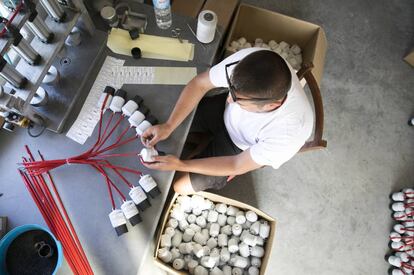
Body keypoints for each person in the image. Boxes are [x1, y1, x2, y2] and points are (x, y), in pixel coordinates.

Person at [141, 47, 314, 194]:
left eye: (240, 100)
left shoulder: (289, 133)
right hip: (221, 114)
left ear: (270, 106)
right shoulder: (251, 62)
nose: (230, 101)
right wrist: (169, 125)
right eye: (231, 93)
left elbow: (236, 164)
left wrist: (181, 165)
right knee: (164, 128)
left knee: (179, 186)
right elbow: (200, 84)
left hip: (239, 146)